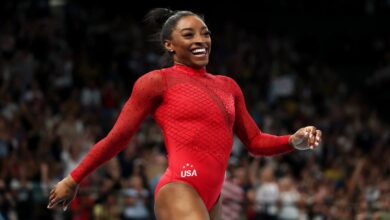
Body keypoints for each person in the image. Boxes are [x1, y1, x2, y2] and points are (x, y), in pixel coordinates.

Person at [47, 8, 322, 220]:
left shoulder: (228, 86)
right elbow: (117, 138)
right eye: (189, 35)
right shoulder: (157, 82)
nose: (201, 40)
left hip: (213, 198)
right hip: (179, 187)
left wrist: (291, 141)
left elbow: (255, 141)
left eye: (205, 33)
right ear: (169, 44)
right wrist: (73, 179)